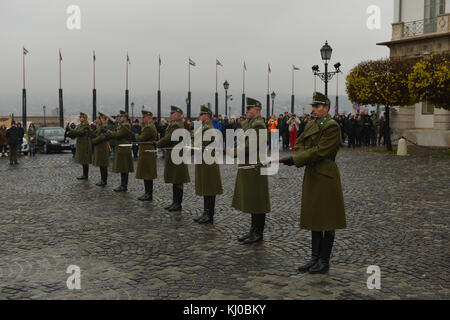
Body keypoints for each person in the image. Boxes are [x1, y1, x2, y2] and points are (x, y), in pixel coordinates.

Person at [280, 92, 346, 274]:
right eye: (313, 106)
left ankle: (324, 260)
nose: (314, 110)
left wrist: (297, 158)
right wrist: (301, 154)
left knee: (328, 218)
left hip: (325, 175)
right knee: (314, 217)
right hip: (312, 173)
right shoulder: (311, 124)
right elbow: (299, 144)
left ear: (326, 108)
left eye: (317, 107)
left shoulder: (331, 126)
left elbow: (320, 151)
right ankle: (314, 258)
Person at [232, 97, 270, 244]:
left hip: (255, 166)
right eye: (246, 108)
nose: (246, 110)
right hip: (247, 164)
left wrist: (234, 151)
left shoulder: (259, 125)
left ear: (257, 110)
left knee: (258, 199)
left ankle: (258, 232)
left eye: (249, 108)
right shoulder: (248, 123)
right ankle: (252, 230)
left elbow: (249, 145)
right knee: (251, 198)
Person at [192, 105, 223, 224]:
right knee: (205, 187)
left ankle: (209, 214)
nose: (199, 117)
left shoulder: (209, 128)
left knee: (210, 188)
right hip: (203, 161)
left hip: (208, 162)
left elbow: (199, 142)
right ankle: (206, 212)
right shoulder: (203, 127)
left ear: (206, 116)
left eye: (201, 115)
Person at [156, 106, 190, 211]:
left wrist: (159, 143)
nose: (170, 115)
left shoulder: (177, 125)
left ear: (178, 114)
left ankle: (178, 204)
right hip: (173, 153)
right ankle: (175, 202)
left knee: (178, 179)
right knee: (175, 178)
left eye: (173, 113)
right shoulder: (174, 124)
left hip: (178, 155)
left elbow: (170, 137)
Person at [104, 110, 134, 192]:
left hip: (123, 148)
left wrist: (108, 132)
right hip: (121, 147)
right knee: (122, 167)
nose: (119, 118)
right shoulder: (122, 125)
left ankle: (124, 186)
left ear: (125, 117)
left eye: (120, 117)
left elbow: (118, 134)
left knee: (124, 167)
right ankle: (123, 185)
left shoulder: (126, 125)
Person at [134, 109, 158, 201]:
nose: (143, 119)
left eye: (143, 117)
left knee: (147, 173)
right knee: (146, 173)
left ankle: (148, 194)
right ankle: (147, 193)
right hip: (146, 150)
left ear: (148, 117)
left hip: (147, 150)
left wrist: (136, 135)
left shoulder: (148, 127)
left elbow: (140, 139)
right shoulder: (149, 126)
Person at [67, 113, 93, 179]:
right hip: (80, 144)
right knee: (82, 160)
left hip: (85, 144)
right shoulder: (80, 125)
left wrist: (70, 129)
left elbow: (80, 132)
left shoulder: (86, 125)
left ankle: (85, 175)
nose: (81, 118)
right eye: (80, 117)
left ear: (85, 118)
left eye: (82, 117)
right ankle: (84, 174)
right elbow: (76, 131)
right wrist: (70, 133)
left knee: (85, 160)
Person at [91, 113, 111, 186]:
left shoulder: (106, 127)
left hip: (103, 148)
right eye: (99, 118)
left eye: (101, 119)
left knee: (103, 164)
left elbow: (103, 136)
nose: (99, 120)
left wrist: (94, 141)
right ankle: (102, 179)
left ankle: (104, 180)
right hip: (99, 147)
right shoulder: (99, 126)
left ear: (104, 119)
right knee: (101, 165)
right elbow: (95, 134)